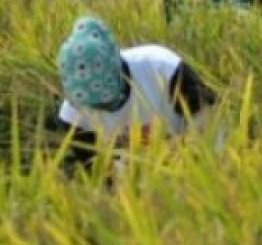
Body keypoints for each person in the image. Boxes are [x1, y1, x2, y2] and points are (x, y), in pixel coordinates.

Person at [48, 16, 216, 174]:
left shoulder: (161, 66)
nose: (104, 110)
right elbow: (95, 172)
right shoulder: (73, 115)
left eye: (109, 102)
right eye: (95, 106)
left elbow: (211, 120)